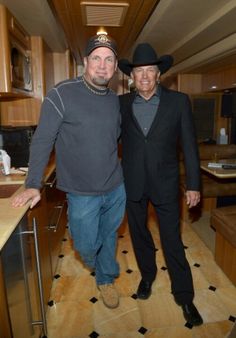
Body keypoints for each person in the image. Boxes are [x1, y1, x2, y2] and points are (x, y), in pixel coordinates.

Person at [12, 34, 126, 309]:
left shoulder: (114, 100)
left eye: (108, 59)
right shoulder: (61, 94)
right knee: (86, 245)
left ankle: (106, 278)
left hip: (115, 187)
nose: (102, 65)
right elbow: (42, 140)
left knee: (110, 235)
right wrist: (32, 183)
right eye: (96, 58)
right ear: (85, 62)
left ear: (115, 66)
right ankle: (98, 263)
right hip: (82, 192)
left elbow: (116, 139)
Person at [118, 43, 203, 326]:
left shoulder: (178, 102)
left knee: (172, 241)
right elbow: (107, 141)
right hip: (133, 184)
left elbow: (190, 146)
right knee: (140, 237)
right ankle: (148, 276)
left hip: (166, 184)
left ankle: (184, 296)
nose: (144, 76)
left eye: (149, 71)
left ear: (158, 74)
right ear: (132, 76)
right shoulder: (121, 104)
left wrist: (193, 184)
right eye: (139, 71)